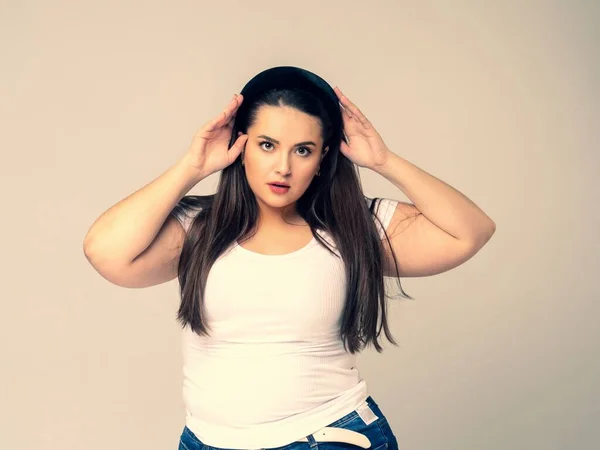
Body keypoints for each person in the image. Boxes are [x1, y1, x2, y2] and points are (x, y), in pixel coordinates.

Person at [83, 66, 496, 450]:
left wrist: (384, 162)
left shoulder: (352, 227)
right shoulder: (197, 228)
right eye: (267, 145)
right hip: (205, 441)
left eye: (302, 150)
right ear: (240, 146)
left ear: (321, 159)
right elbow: (105, 253)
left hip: (326, 436)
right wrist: (191, 167)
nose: (282, 166)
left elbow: (469, 232)